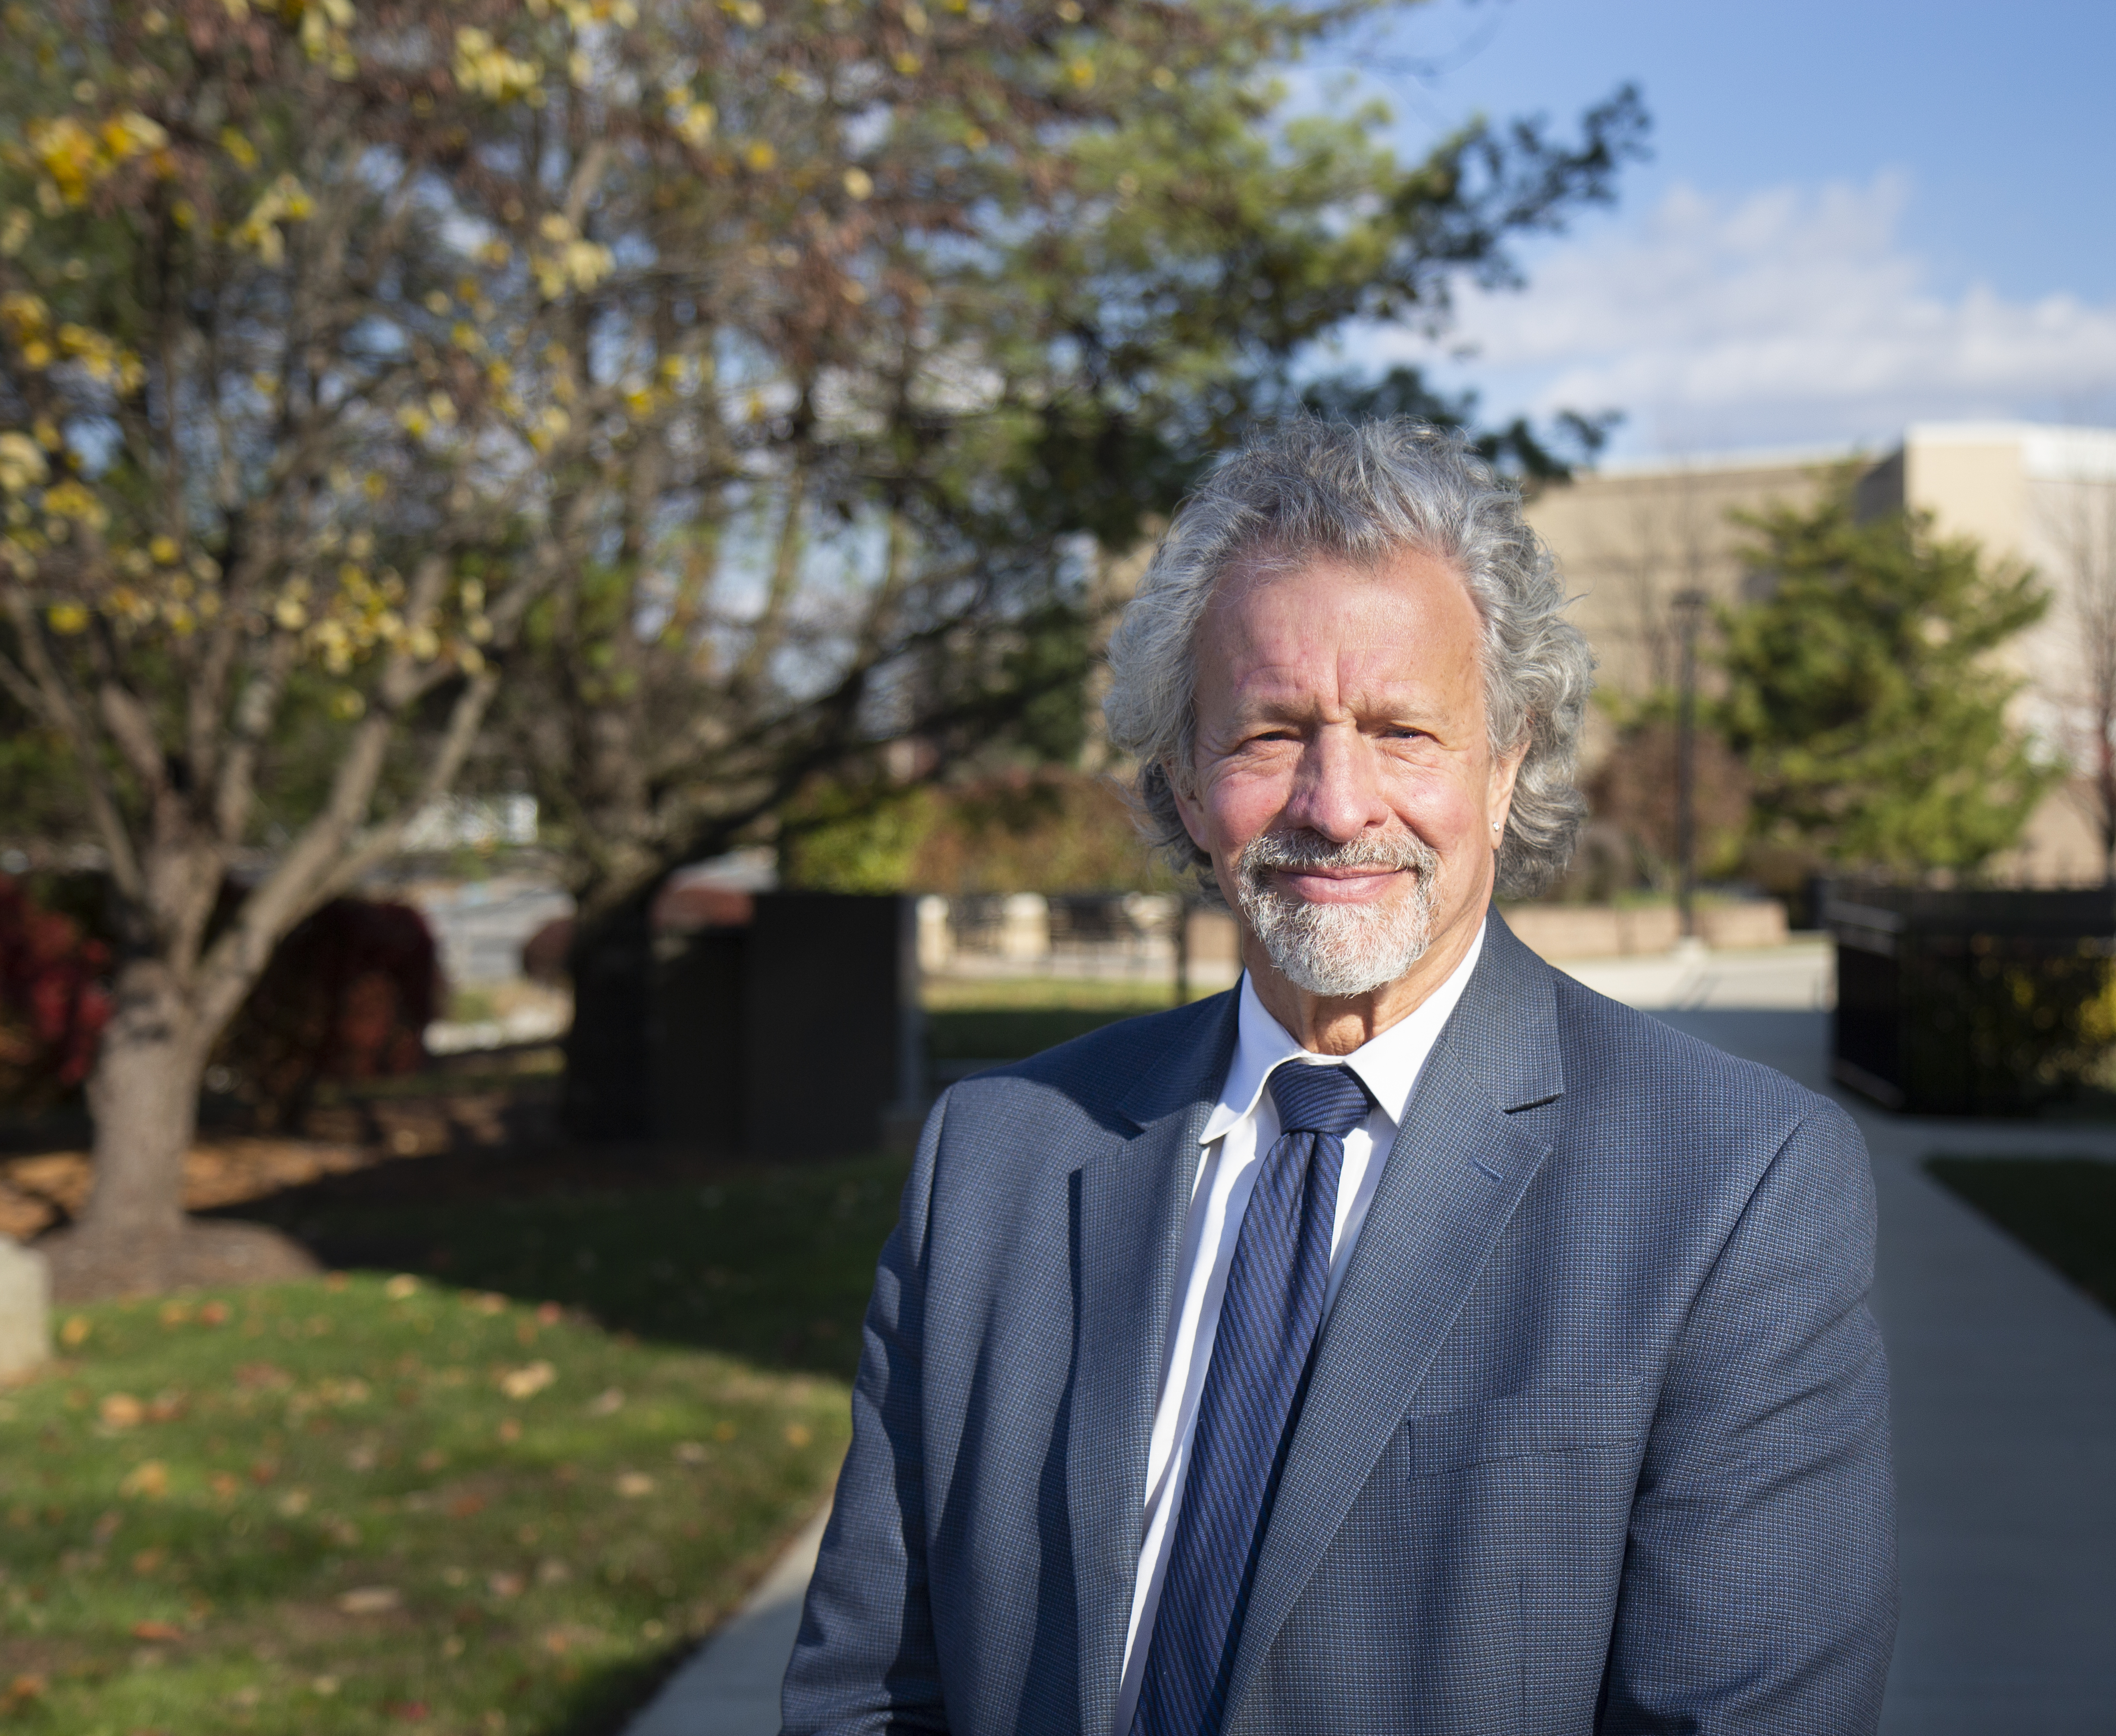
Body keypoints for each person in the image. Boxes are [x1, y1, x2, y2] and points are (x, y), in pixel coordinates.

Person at [782, 420, 1896, 1735]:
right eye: (1267, 734)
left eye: (1404, 730)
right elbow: (872, 1693)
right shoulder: (998, 1156)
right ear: (1185, 782)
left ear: (1508, 763)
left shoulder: (1735, 1188)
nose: (1336, 801)